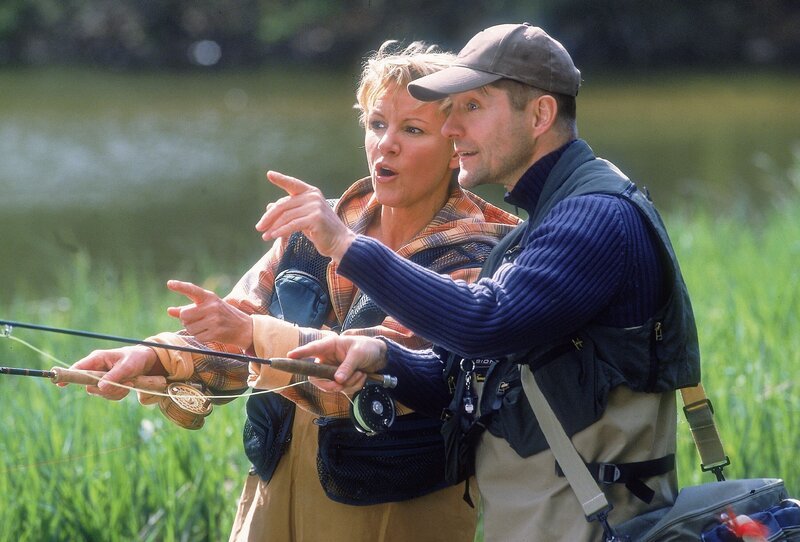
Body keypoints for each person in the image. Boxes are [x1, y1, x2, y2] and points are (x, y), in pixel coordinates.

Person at [258, 23, 701, 541]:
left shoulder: (596, 217)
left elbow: (487, 321)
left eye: (472, 108)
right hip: (552, 520)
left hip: (599, 525)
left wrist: (345, 245)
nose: (451, 129)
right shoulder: (543, 220)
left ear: (540, 115)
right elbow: (458, 379)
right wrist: (384, 357)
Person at [69, 41, 520, 542]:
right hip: (273, 497)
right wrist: (152, 359)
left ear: (456, 144)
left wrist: (250, 332)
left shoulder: (477, 256)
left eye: (412, 130)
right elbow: (233, 338)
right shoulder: (312, 227)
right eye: (376, 124)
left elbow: (375, 372)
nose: (385, 144)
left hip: (392, 514)